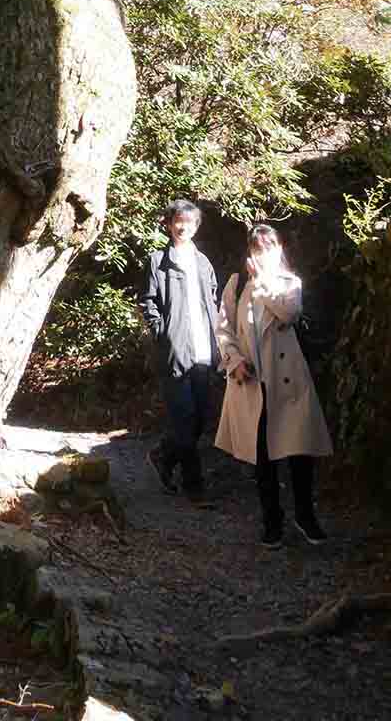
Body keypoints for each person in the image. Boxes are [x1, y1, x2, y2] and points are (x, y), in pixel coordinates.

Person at [215, 222, 332, 548]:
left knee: (300, 452)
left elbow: (289, 313)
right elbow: (223, 327)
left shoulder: (287, 282)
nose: (263, 254)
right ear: (250, 252)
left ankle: (305, 515)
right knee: (263, 457)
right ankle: (272, 521)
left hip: (289, 379)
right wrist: (234, 360)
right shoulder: (236, 285)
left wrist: (264, 280)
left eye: (269, 247)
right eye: (257, 248)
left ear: (279, 248)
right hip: (253, 381)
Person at [139, 198, 220, 500]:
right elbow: (148, 302)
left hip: (203, 351)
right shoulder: (158, 260)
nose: (183, 226)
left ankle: (163, 455)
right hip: (174, 352)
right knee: (184, 419)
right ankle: (194, 487)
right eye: (178, 221)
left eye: (190, 222)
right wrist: (163, 332)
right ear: (170, 224)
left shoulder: (203, 262)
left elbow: (212, 299)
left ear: (197, 226)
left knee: (198, 420)